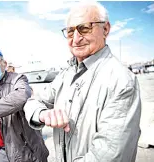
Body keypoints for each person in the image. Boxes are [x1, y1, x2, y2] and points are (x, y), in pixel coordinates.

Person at [24, 2, 141, 162]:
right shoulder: (65, 75)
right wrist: (42, 114)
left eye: (84, 28)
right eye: (70, 32)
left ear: (105, 29)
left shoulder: (121, 81)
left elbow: (110, 154)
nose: (76, 39)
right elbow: (32, 101)